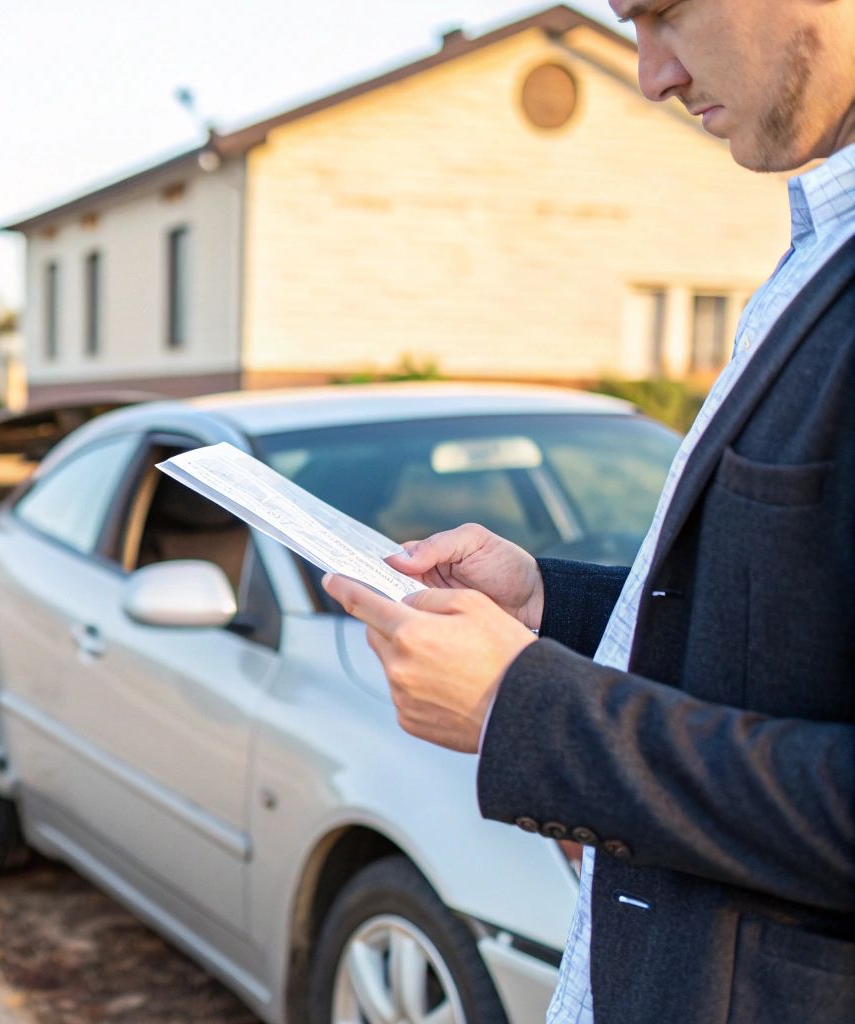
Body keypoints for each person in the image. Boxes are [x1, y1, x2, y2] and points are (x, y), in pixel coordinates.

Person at [322, 1, 855, 1021]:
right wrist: (546, 609)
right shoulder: (816, 250)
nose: (649, 74)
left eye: (661, 13)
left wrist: (523, 711)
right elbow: (784, 627)